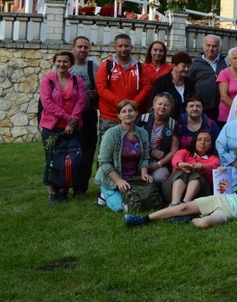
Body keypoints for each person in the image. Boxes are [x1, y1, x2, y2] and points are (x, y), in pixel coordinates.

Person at [125, 155, 237, 229]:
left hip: (231, 213)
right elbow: (227, 185)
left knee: (203, 223)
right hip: (223, 200)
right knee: (182, 207)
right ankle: (144, 219)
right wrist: (223, 170)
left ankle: (190, 218)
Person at [39, 50, 86, 204]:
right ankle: (52, 193)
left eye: (65, 61)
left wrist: (72, 122)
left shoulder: (77, 81)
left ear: (71, 64)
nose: (62, 64)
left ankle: (63, 190)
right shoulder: (48, 80)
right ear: (54, 62)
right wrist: (68, 119)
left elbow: (80, 102)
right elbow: (47, 103)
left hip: (72, 127)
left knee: (69, 159)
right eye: (59, 61)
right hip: (52, 127)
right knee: (52, 159)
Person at [94, 100, 153, 212]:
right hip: (113, 179)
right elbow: (104, 162)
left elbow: (145, 157)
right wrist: (118, 180)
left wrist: (144, 173)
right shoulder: (111, 134)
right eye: (124, 111)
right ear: (119, 116)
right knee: (123, 208)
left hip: (133, 178)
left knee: (145, 202)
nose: (127, 114)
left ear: (136, 113)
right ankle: (103, 194)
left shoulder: (143, 133)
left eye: (131, 110)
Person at [95, 33, 153, 136]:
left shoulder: (140, 67)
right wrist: (121, 105)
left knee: (132, 149)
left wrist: (133, 105)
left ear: (131, 47)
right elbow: (101, 89)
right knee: (108, 148)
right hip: (110, 116)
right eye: (120, 46)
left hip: (133, 115)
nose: (123, 49)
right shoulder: (106, 65)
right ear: (115, 47)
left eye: (126, 46)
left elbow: (146, 88)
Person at [68, 36, 99, 198]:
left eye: (85, 47)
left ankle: (81, 189)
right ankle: (64, 185)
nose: (82, 50)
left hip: (88, 116)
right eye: (79, 46)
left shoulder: (93, 67)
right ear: (73, 48)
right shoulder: (66, 66)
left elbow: (102, 86)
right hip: (68, 117)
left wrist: (96, 94)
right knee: (69, 153)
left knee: (87, 152)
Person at [162, 131, 220, 206]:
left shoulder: (214, 159)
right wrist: (180, 164)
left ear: (211, 145)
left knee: (197, 173)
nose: (202, 142)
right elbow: (175, 159)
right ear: (194, 142)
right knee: (181, 170)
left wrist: (203, 167)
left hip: (199, 196)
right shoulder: (184, 152)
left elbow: (213, 166)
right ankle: (175, 204)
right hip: (171, 191)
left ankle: (186, 204)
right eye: (199, 139)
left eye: (207, 140)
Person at [135, 92, 179, 187]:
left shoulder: (173, 124)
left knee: (159, 177)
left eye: (166, 105)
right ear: (154, 105)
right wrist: (151, 151)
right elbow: (134, 141)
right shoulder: (143, 119)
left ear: (170, 108)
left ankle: (155, 196)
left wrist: (158, 164)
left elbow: (174, 150)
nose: (162, 107)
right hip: (140, 158)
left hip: (161, 161)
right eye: (160, 104)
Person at [188, 34, 229, 122]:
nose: (211, 49)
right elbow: (189, 84)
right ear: (203, 46)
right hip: (204, 108)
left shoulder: (226, 62)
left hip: (223, 107)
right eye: (208, 45)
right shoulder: (195, 64)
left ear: (219, 47)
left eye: (214, 46)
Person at [148, 52, 195, 119]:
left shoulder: (190, 83)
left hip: (185, 122)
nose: (187, 69)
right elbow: (152, 106)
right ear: (174, 66)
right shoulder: (161, 82)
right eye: (184, 66)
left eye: (188, 66)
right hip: (165, 121)